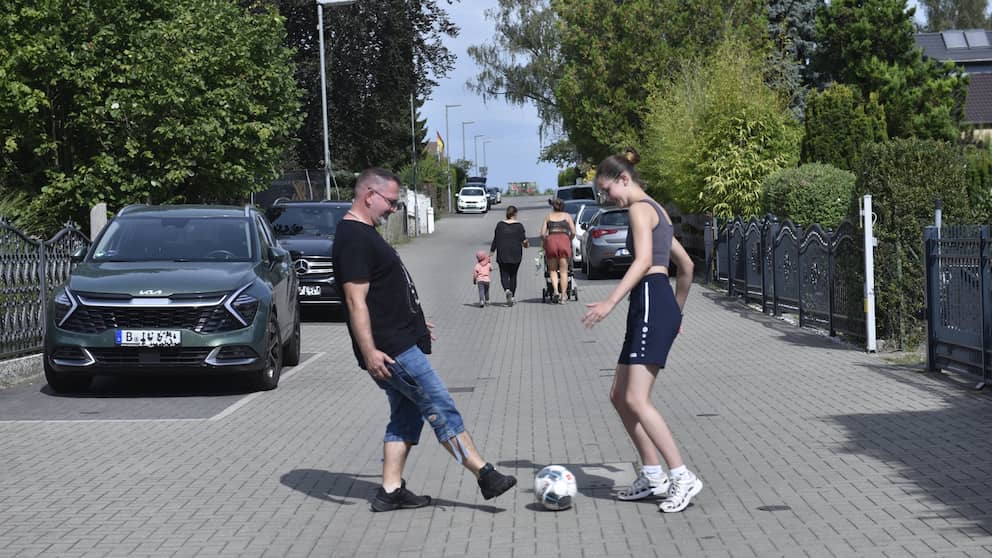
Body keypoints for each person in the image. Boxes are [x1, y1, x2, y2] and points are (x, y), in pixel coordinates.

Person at [333, 168, 517, 512]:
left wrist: (415, 323)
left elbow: (384, 293)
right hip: (392, 351)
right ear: (369, 195)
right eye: (390, 201)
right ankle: (484, 474)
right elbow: (356, 300)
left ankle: (390, 491)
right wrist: (370, 350)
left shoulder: (364, 233)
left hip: (399, 340)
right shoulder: (354, 237)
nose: (393, 209)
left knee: (406, 416)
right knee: (439, 406)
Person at [581, 148, 702, 513]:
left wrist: (609, 303)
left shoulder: (638, 209)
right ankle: (653, 475)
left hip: (648, 299)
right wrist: (675, 314)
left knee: (636, 399)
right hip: (654, 304)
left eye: (607, 191)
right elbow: (688, 266)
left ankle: (682, 476)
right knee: (619, 395)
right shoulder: (658, 210)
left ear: (623, 179)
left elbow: (646, 261)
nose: (607, 199)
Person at [489, 205, 529, 306]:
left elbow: (496, 239)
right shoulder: (519, 226)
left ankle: (507, 291)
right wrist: (526, 244)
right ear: (515, 214)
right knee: (513, 275)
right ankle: (513, 296)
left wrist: (491, 252)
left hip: (502, 253)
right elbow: (524, 242)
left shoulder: (500, 225)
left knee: (504, 274)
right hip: (516, 254)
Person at [540, 198, 576, 304]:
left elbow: (542, 234)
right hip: (564, 241)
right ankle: (564, 295)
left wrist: (546, 241)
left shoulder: (548, 217)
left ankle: (555, 291)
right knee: (564, 271)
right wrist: (569, 239)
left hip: (552, 241)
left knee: (553, 270)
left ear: (553, 207)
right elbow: (573, 231)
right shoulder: (567, 216)